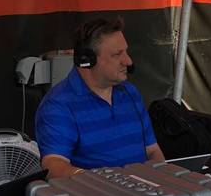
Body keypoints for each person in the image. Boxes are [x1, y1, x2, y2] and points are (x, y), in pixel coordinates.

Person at [35, 17, 165, 178]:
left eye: (126, 52)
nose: (128, 61)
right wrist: (101, 184)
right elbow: (54, 165)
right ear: (87, 60)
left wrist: (161, 182)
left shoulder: (130, 93)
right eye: (117, 55)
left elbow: (152, 151)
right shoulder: (58, 105)